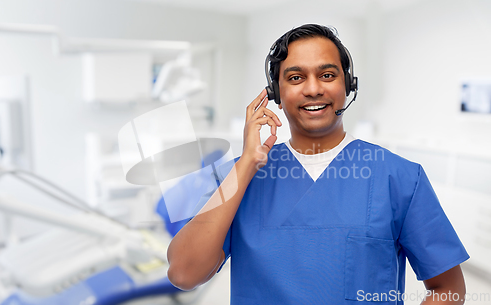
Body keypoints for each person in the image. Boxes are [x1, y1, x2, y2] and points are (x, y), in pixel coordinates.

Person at [166, 24, 469, 304]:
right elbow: (184, 274)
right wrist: (245, 164)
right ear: (276, 94)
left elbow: (449, 288)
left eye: (327, 75)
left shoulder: (400, 177)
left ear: (348, 85)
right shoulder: (239, 177)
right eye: (296, 77)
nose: (313, 89)